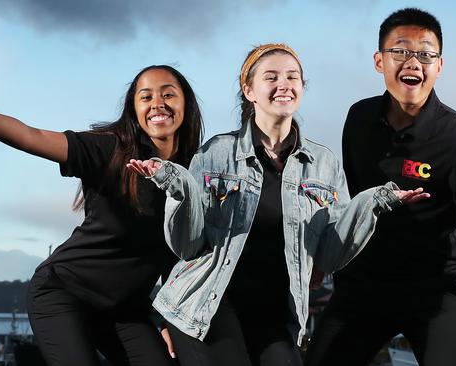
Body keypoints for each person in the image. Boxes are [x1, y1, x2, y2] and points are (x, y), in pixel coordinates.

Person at [128, 43, 428, 366]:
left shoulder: (323, 163)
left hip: (273, 314)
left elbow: (330, 254)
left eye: (292, 76)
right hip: (209, 304)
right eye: (271, 77)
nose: (283, 84)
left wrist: (374, 203)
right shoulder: (216, 153)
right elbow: (188, 245)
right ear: (250, 90)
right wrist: (178, 185)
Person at [0, 60, 204, 366]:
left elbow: (178, 255)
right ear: (134, 110)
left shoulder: (196, 172)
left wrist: (165, 319)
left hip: (125, 309)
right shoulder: (109, 150)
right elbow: (30, 136)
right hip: (64, 295)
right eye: (145, 97)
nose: (157, 104)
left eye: (168, 94)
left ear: (185, 103)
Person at [305, 8, 456, 366]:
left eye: (425, 53)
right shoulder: (359, 120)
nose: (413, 61)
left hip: (433, 288)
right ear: (379, 61)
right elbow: (351, 206)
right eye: (401, 51)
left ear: (439, 66)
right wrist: (322, 257)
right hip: (364, 281)